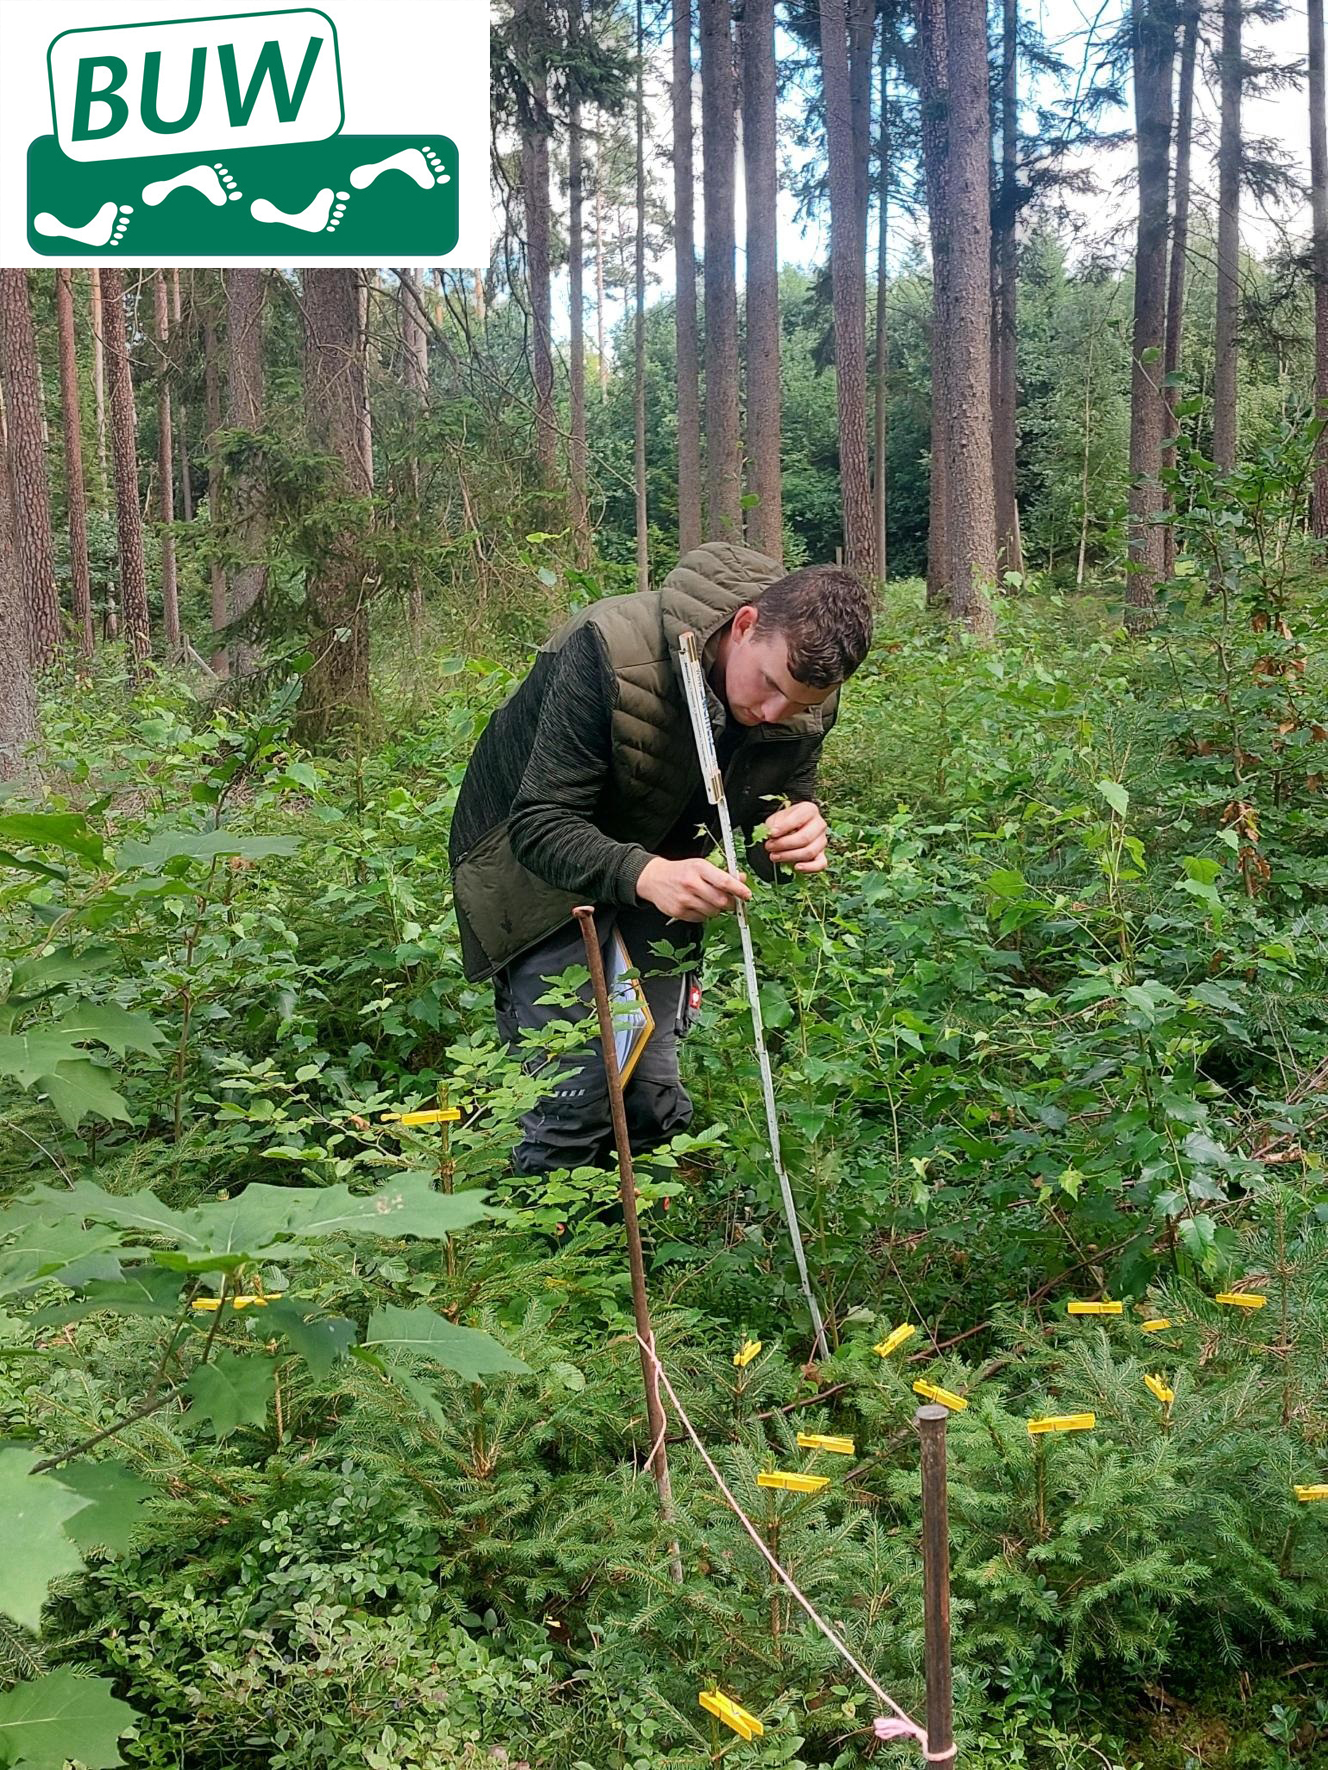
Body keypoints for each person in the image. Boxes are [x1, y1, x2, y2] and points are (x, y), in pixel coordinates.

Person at [448, 540, 874, 1176]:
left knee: (650, 1088)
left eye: (803, 705)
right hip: (530, 869)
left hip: (666, 868)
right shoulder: (609, 649)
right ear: (747, 623)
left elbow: (766, 811)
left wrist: (793, 834)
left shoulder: (804, 689)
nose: (774, 713)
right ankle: (548, 1261)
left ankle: (659, 1249)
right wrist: (645, 873)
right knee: (579, 1091)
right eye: (769, 687)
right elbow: (537, 824)